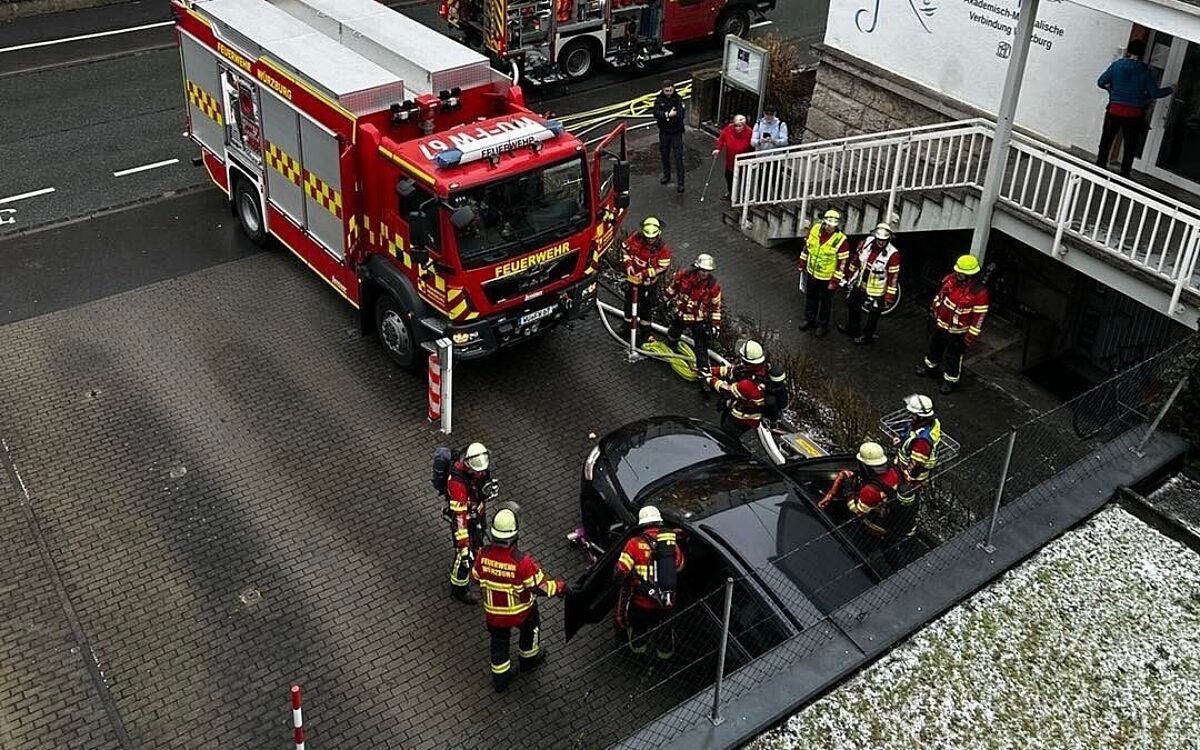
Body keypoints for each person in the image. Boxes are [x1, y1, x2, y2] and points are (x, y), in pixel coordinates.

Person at [471, 506, 566, 692]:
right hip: (522, 612)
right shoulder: (522, 562)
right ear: (514, 535)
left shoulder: (483, 555)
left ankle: (501, 679)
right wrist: (560, 587)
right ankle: (529, 660)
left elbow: (475, 578)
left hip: (494, 614)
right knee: (531, 630)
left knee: (499, 643)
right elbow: (539, 587)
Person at [615, 505, 686, 661]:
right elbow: (680, 566)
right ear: (658, 523)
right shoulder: (670, 544)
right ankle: (664, 656)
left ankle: (638, 655)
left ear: (643, 524)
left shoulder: (633, 544)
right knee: (665, 633)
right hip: (666, 603)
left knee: (639, 630)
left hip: (641, 603)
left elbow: (620, 573)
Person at [1096, 38, 1173, 178]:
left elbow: (1101, 82)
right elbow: (1154, 93)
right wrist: (1171, 89)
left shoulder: (1117, 66)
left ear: (1128, 51)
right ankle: (1125, 173)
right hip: (1133, 114)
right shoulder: (1145, 71)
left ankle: (1100, 167)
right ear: (1143, 53)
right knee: (1130, 146)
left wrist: (1111, 92)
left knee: (1106, 140)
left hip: (1114, 110)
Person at [917, 254, 989, 394]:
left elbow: (978, 318)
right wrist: (934, 311)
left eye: (961, 273)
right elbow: (941, 296)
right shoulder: (950, 280)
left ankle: (950, 380)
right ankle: (930, 367)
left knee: (953, 356)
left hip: (958, 332)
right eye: (957, 271)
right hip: (941, 324)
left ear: (970, 274)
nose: (958, 274)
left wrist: (970, 336)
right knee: (935, 347)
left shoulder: (979, 293)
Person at [818, 441, 901, 554]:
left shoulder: (870, 490)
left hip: (873, 529)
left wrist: (848, 492)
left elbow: (858, 512)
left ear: (865, 465)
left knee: (851, 552)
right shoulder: (893, 472)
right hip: (892, 521)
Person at [446, 442, 497, 605]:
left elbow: (481, 487)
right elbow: (459, 517)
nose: (481, 472)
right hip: (466, 520)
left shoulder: (479, 467)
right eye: (478, 471)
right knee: (465, 556)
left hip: (477, 514)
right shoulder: (457, 483)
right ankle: (458, 588)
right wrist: (463, 545)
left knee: (478, 543)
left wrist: (488, 492)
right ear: (468, 466)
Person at [839, 222, 900, 345]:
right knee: (853, 305)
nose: (881, 242)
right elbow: (857, 259)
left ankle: (867, 336)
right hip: (861, 283)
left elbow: (893, 278)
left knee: (873, 315)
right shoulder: (867, 243)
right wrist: (849, 275)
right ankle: (852, 328)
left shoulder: (893, 254)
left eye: (884, 240)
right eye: (879, 239)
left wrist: (889, 296)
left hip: (877, 291)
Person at [663, 253, 723, 378]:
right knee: (673, 333)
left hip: (698, 320)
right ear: (697, 267)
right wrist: (666, 298)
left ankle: (704, 374)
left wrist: (715, 325)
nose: (704, 273)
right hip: (681, 314)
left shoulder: (713, 286)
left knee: (701, 346)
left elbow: (715, 307)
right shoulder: (684, 275)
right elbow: (673, 287)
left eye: (707, 271)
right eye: (702, 270)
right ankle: (670, 346)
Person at [796, 209, 849, 337]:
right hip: (812, 273)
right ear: (824, 222)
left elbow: (842, 263)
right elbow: (807, 247)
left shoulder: (841, 240)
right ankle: (809, 319)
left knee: (826, 302)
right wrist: (802, 261)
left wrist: (835, 280)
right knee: (811, 297)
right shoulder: (815, 229)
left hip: (827, 278)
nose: (829, 228)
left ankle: (822, 325)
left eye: (832, 226)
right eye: (827, 224)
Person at [623, 216, 672, 340]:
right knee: (629, 306)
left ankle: (645, 333)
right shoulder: (636, 238)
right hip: (632, 280)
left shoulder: (663, 248)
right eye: (648, 238)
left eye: (653, 238)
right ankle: (627, 328)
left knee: (646, 309)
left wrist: (645, 274)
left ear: (658, 234)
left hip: (648, 285)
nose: (650, 240)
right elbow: (625, 250)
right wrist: (628, 264)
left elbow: (663, 267)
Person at [708, 339, 768, 438]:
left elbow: (727, 390)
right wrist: (712, 370)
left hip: (743, 417)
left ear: (747, 362)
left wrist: (710, 380)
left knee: (727, 434)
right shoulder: (759, 369)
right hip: (743, 404)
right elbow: (734, 371)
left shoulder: (747, 385)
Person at [653, 79, 687, 193]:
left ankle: (681, 182)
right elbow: (656, 113)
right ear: (663, 90)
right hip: (664, 132)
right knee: (664, 155)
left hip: (676, 132)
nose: (668, 93)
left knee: (678, 158)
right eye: (666, 90)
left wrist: (666, 116)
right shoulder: (659, 99)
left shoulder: (678, 99)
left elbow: (681, 115)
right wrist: (668, 114)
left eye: (670, 90)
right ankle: (666, 175)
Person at [712, 114, 753, 201]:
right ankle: (731, 193)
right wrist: (718, 148)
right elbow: (722, 138)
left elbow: (753, 146)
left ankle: (744, 197)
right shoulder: (728, 129)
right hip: (731, 161)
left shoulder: (749, 132)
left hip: (744, 162)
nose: (738, 128)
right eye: (736, 126)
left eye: (740, 126)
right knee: (728, 177)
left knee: (744, 180)